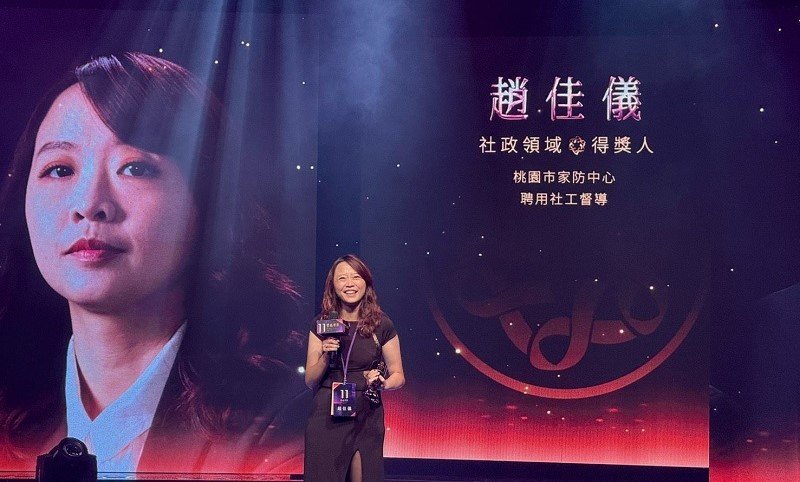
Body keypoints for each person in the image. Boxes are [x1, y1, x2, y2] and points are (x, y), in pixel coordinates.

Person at [0, 52, 306, 474]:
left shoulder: (285, 426)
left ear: (209, 201)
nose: (89, 204)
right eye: (59, 170)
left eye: (135, 167)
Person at [304, 254, 405, 482]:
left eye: (356, 277)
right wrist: (325, 356)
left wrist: (383, 383)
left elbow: (398, 374)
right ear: (333, 285)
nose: (349, 283)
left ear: (366, 283)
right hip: (326, 414)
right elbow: (310, 380)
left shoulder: (382, 324)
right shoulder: (322, 324)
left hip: (366, 412)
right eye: (342, 278)